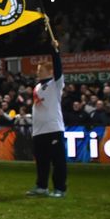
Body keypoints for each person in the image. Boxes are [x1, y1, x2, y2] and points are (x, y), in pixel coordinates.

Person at [27, 35, 68, 198]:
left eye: (41, 70)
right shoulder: (37, 86)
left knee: (58, 161)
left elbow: (58, 68)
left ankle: (60, 188)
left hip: (52, 128)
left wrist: (54, 51)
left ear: (50, 71)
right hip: (38, 130)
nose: (38, 71)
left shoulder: (56, 84)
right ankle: (41, 186)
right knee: (42, 161)